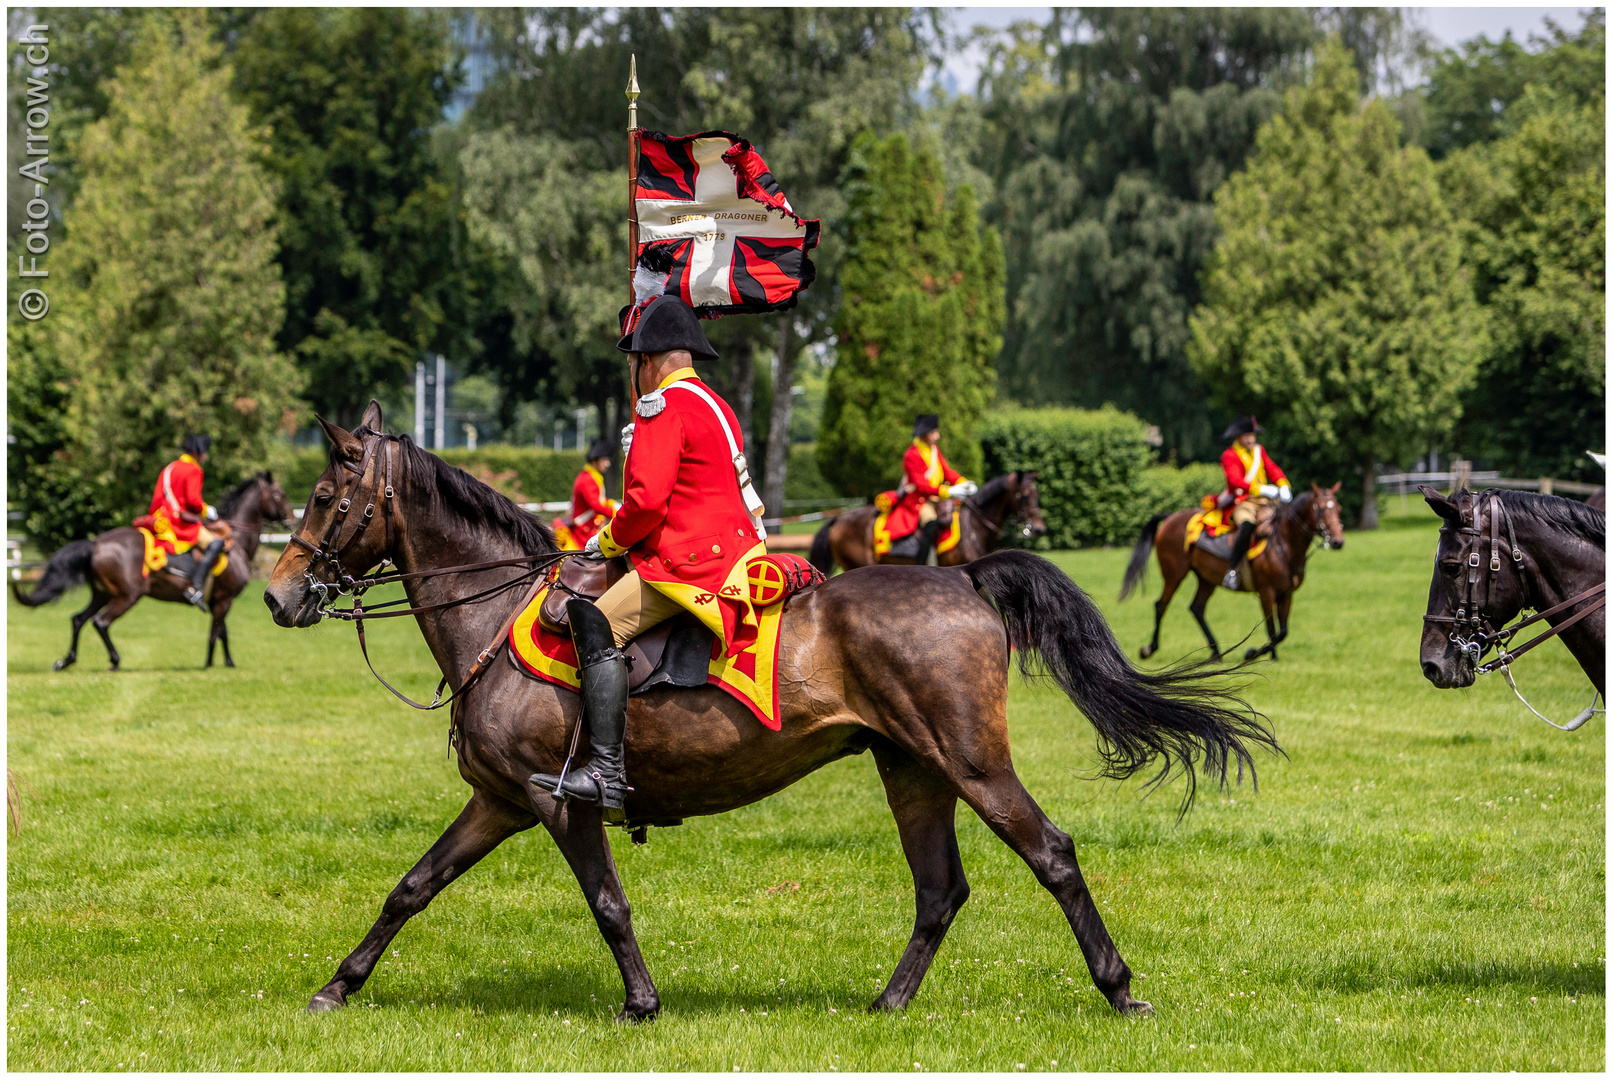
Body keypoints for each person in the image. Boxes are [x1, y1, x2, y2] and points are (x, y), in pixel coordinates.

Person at [531, 294, 767, 811]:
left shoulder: (662, 406)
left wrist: (604, 542)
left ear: (646, 360)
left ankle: (607, 772)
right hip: (740, 551)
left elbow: (644, 503)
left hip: (691, 561)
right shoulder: (717, 405)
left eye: (632, 362)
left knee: (595, 623)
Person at [148, 433, 226, 610]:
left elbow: (158, 498)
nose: (206, 455)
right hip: (178, 523)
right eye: (205, 452)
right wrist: (207, 510)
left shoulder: (169, 467)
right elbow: (193, 501)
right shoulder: (194, 469)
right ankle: (195, 587)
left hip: (161, 519)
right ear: (198, 452)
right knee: (215, 543)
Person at [886, 414, 976, 565]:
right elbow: (921, 486)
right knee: (931, 522)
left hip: (936, 498)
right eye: (934, 432)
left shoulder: (934, 450)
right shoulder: (912, 455)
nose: (938, 435)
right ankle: (923, 565)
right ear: (924, 434)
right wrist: (948, 491)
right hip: (919, 500)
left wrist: (963, 482)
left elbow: (947, 472)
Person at [1218, 416, 1291, 590]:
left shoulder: (1259, 450)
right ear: (1238, 437)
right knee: (1247, 524)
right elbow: (1235, 481)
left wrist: (1283, 484)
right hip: (1243, 502)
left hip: (1265, 502)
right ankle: (1232, 571)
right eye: (1247, 435)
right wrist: (1261, 489)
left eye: (1253, 435)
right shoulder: (1229, 455)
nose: (1251, 438)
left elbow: (1273, 469)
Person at [556, 439, 619, 550]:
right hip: (584, 530)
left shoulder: (591, 476)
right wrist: (616, 513)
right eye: (604, 459)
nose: (608, 463)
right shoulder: (588, 479)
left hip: (590, 526)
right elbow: (595, 505)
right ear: (594, 461)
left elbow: (599, 500)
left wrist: (612, 503)